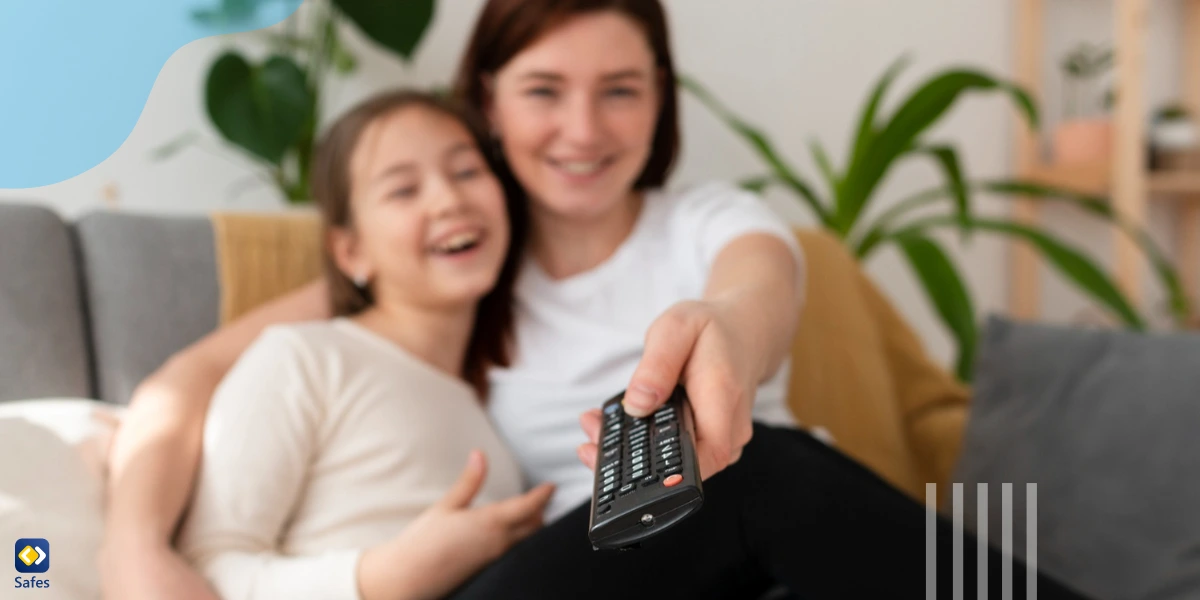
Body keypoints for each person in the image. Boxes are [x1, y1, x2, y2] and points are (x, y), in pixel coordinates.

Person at [101, 1, 1093, 598]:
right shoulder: (457, 262)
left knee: (762, 487)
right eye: (544, 90)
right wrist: (136, 546)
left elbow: (759, 290)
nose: (584, 129)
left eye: (621, 89)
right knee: (765, 475)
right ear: (487, 100)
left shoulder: (707, 221)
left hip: (743, 568)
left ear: (662, 99)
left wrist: (725, 341)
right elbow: (185, 385)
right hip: (593, 567)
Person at [171, 90, 556, 600]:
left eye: (467, 172)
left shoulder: (493, 421)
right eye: (403, 191)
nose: (450, 199)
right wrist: (381, 577)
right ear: (351, 250)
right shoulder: (304, 358)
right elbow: (206, 565)